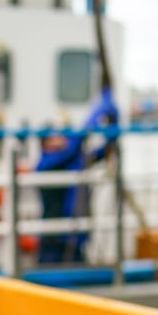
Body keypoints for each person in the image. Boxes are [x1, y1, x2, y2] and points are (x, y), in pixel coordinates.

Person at [35, 87, 119, 264]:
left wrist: (113, 124)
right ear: (45, 143)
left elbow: (103, 151)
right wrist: (97, 112)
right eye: (55, 136)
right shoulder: (45, 164)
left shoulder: (72, 160)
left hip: (74, 239)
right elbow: (76, 144)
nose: (63, 137)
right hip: (53, 241)